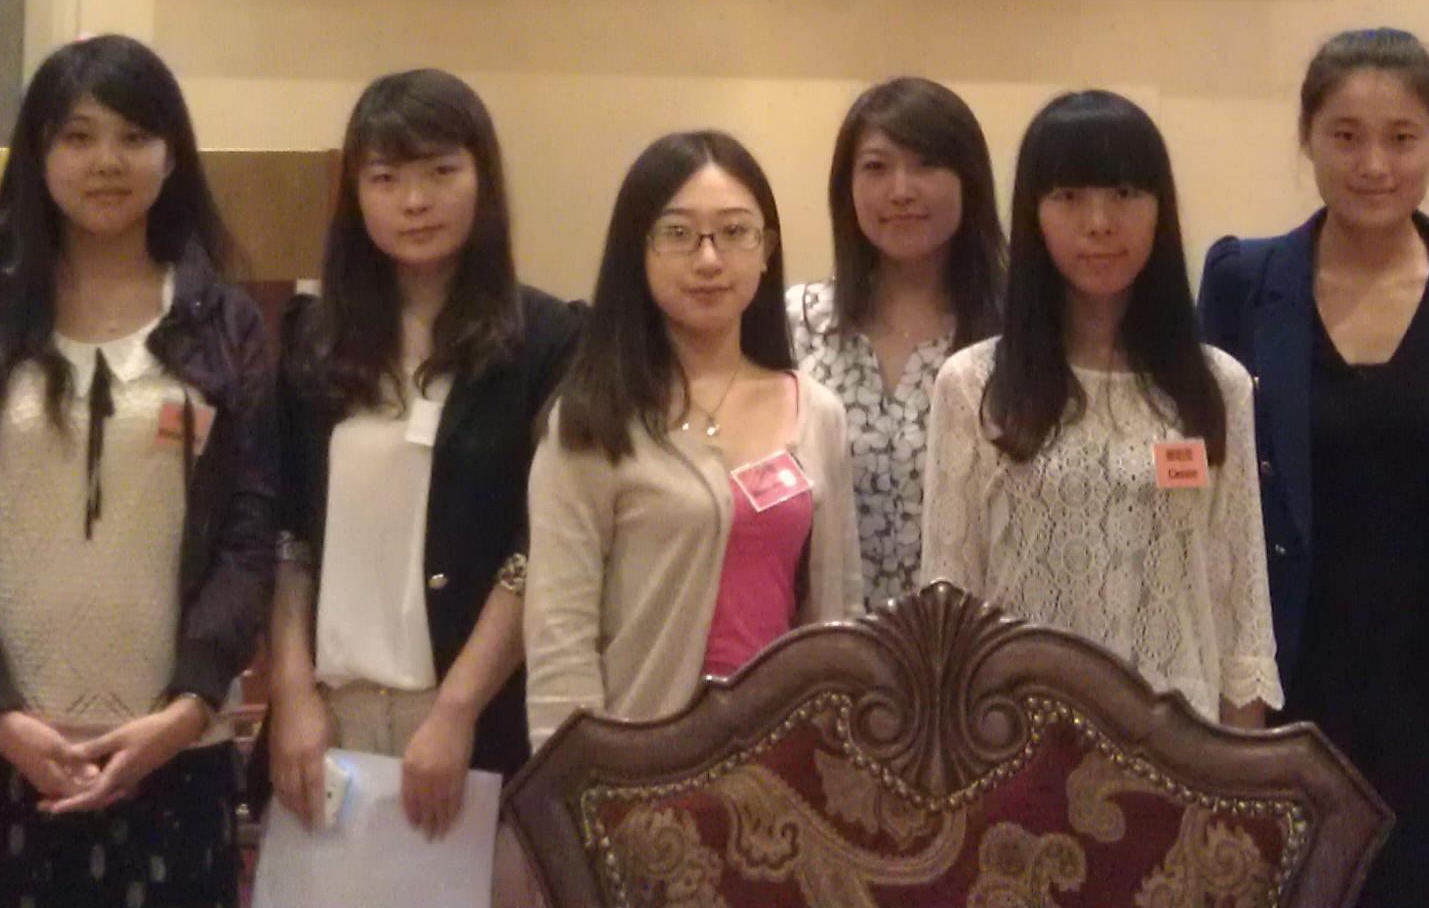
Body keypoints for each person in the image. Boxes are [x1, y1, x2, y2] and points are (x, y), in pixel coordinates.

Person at [0, 35, 278, 908]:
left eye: (134, 136)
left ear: (172, 154)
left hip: (175, 751)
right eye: (78, 136)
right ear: (38, 153)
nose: (108, 161)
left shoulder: (224, 325)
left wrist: (186, 709)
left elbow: (249, 536)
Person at [1200, 29, 1429, 907]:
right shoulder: (1242, 283)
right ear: (1307, 137)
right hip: (1294, 689)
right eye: (1346, 136)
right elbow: (1209, 496)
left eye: (1402, 137)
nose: (1374, 165)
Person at [264, 71, 584, 849]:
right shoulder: (313, 338)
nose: (415, 201)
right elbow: (288, 534)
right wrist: (292, 693)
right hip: (328, 714)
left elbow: (539, 544)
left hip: (471, 718)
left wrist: (456, 709)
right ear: (355, 194)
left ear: (483, 179)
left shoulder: (545, 341)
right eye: (386, 178)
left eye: (441, 171)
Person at [921, 91, 1278, 723]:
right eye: (1068, 196)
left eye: (1124, 193)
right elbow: (948, 600)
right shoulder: (972, 383)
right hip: (1017, 740)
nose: (1099, 222)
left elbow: (1241, 613)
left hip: (1177, 744)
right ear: (1033, 214)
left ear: (1160, 209)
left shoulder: (1217, 385)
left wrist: (1239, 763)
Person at [525, 131, 861, 746]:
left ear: (767, 250)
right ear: (639, 250)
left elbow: (837, 615)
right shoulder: (593, 420)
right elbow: (559, 637)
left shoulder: (816, 412)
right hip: (642, 757)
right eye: (678, 234)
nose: (709, 259)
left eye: (734, 232)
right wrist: (576, 779)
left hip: (780, 758)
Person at [785, 77, 1005, 610]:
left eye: (926, 164)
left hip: (980, 642)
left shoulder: (1019, 329)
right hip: (826, 640)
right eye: (876, 167)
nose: (901, 190)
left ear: (969, 180)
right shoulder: (798, 322)